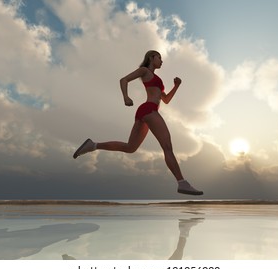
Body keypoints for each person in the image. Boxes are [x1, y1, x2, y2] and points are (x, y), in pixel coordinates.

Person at [73, 50, 203, 195]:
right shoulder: (144, 70)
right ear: (151, 58)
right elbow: (123, 80)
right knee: (167, 146)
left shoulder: (157, 79)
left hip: (145, 112)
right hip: (149, 110)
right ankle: (182, 183)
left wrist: (176, 86)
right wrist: (126, 97)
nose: (161, 61)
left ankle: (93, 145)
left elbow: (165, 100)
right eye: (159, 58)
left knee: (130, 148)